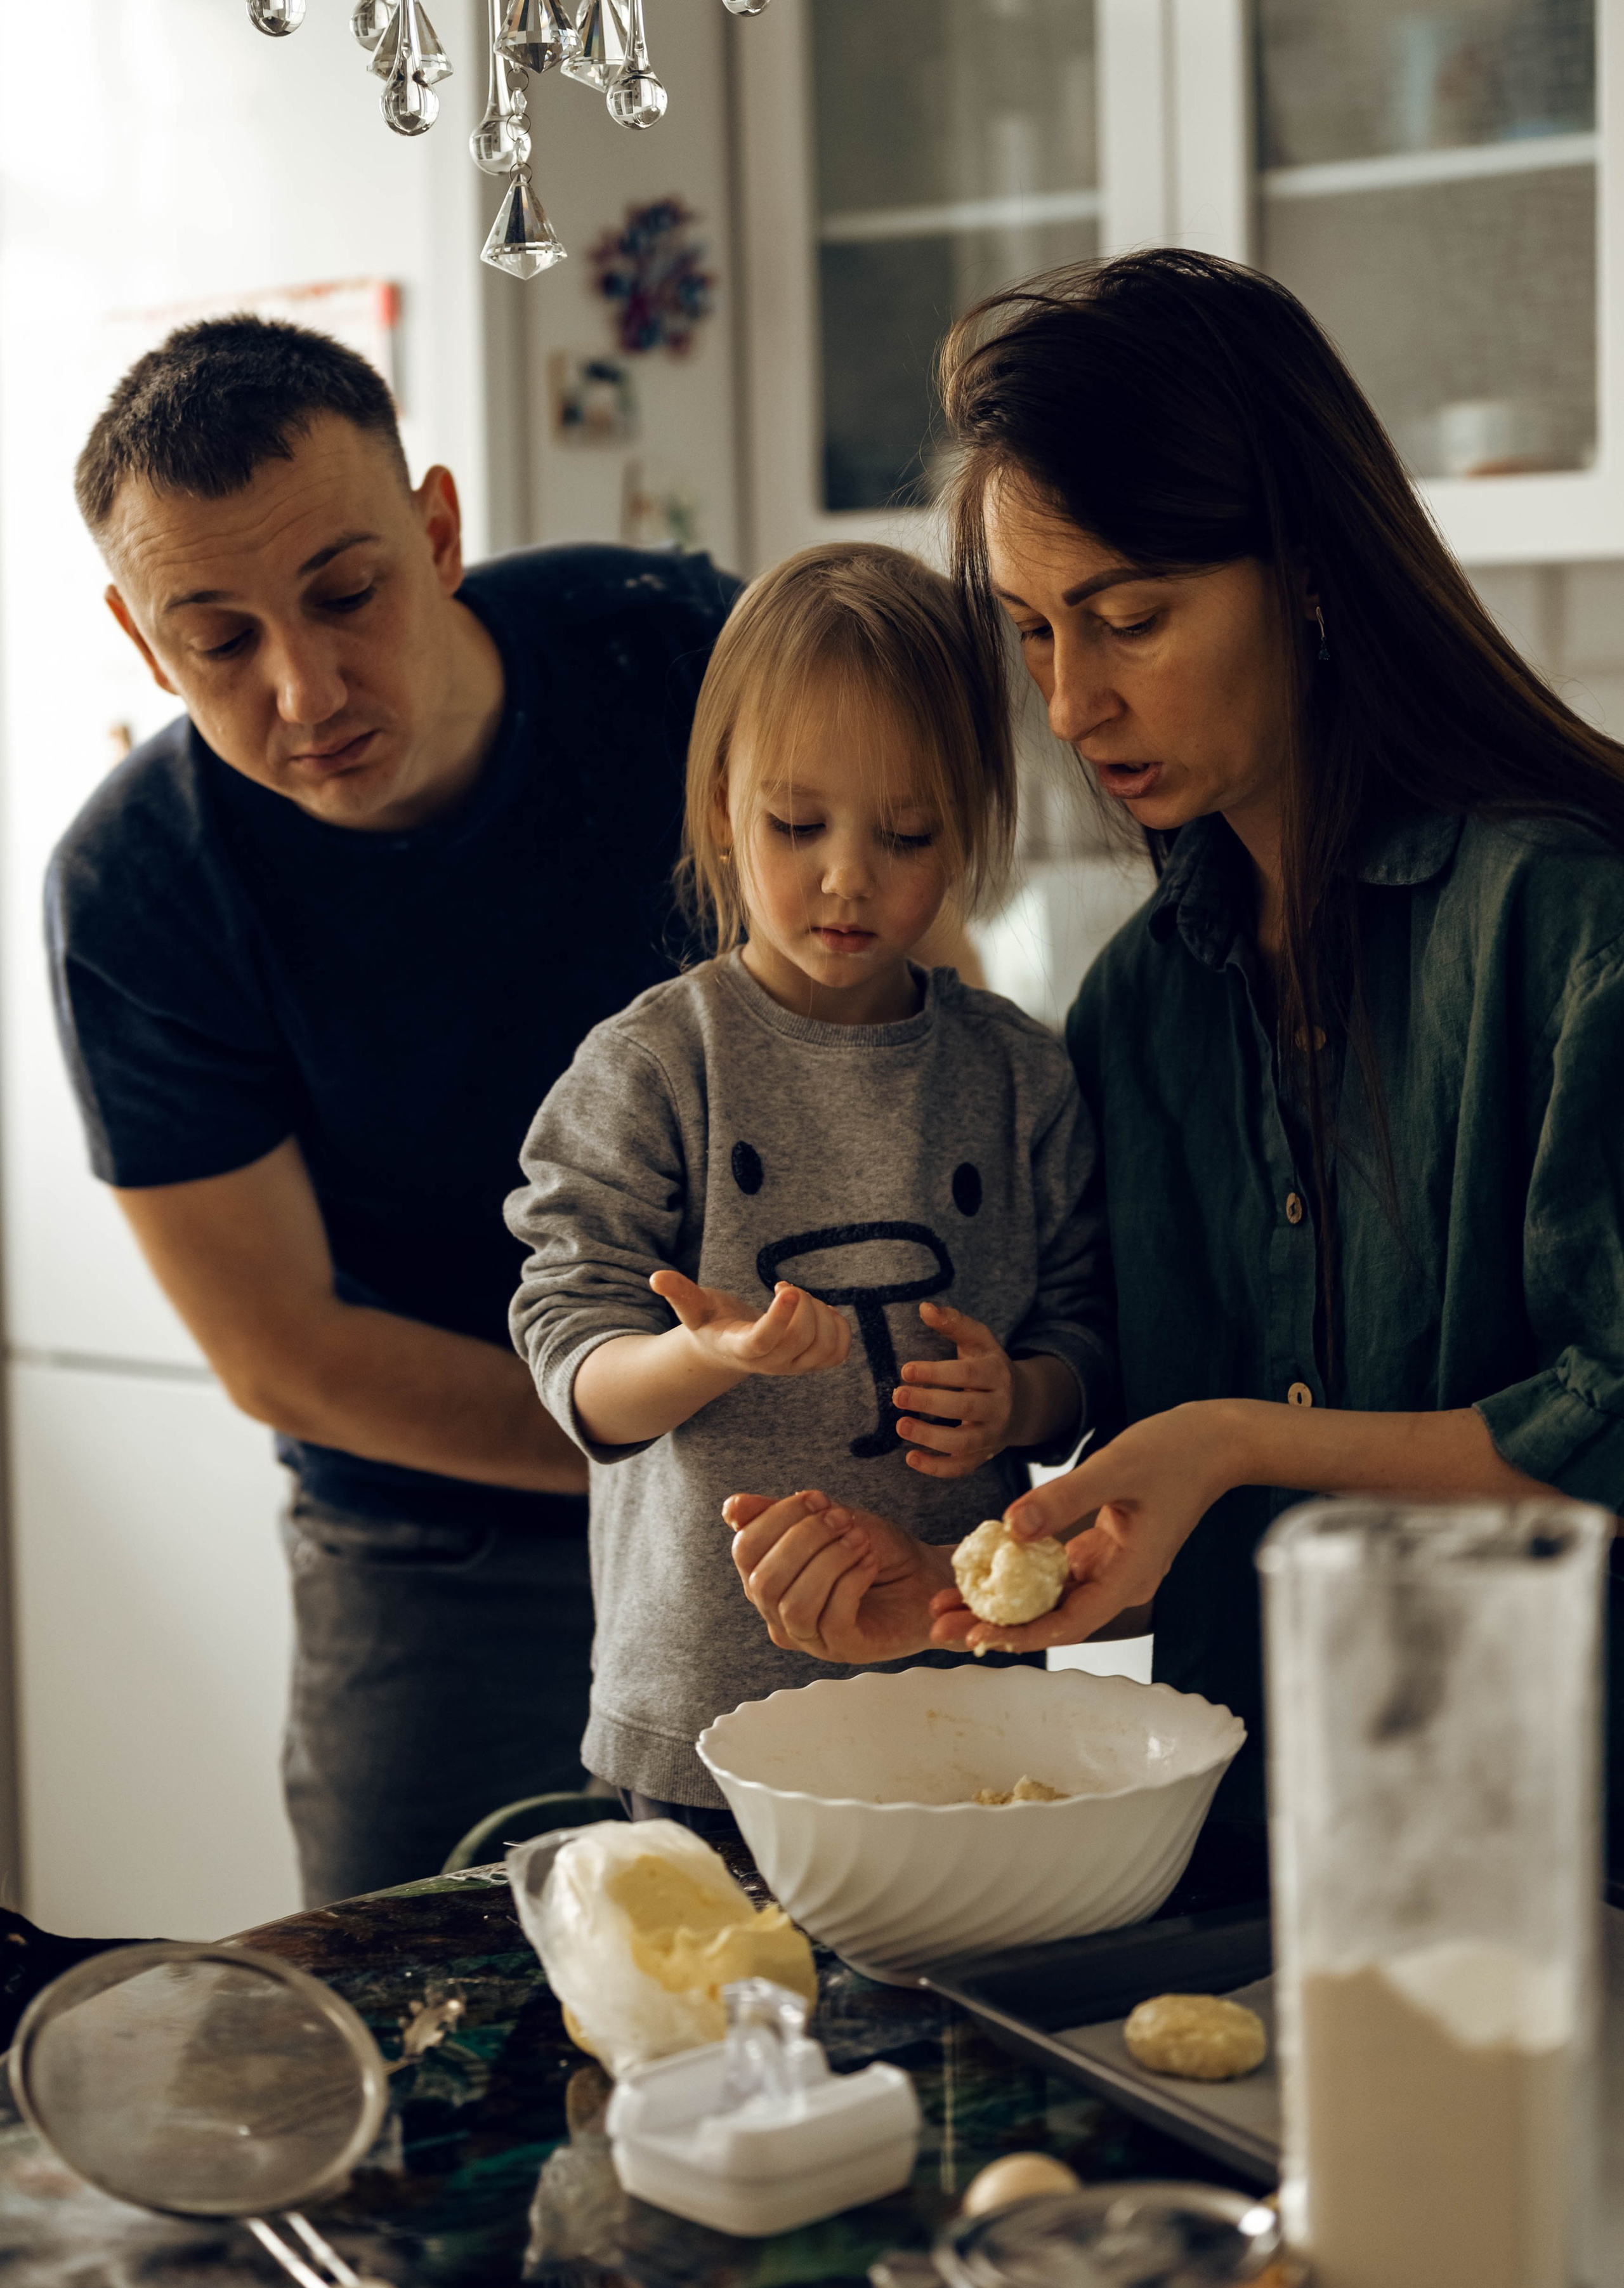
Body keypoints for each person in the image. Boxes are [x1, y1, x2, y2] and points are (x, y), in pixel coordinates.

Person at [724, 251, 1624, 1866]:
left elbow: (1607, 1429)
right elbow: (1125, 1452)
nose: (1070, 701)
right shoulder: (1137, 1004)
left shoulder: (1560, 926)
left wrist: (1242, 1439)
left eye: (1128, 618)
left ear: (1306, 571)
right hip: (1253, 1842)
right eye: (1031, 634)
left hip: (1556, 1851)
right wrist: (932, 1590)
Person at [47, 315, 742, 1906]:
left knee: (873, 2020)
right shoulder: (138, 889)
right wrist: (661, 1441)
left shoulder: (670, 652)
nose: (303, 688)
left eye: (347, 594)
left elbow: (905, 986)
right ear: (143, 642)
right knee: (419, 2066)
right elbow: (282, 1347)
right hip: (441, 1562)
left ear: (436, 534)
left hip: (806, 1518)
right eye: (215, 640)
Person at [505, 544, 1116, 1822]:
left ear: (971, 827)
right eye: (798, 825)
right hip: (703, 1723)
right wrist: (706, 1357)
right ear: (720, 802)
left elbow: (1087, 1343)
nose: (848, 876)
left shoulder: (1017, 1078)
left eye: (907, 834)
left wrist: (1016, 1400)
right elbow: (576, 1366)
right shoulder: (655, 1069)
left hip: (960, 1692)